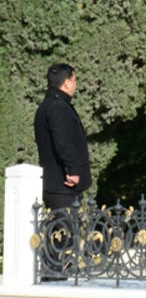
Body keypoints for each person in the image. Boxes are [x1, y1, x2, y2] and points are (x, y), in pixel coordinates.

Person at [35, 63, 92, 210]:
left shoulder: (47, 105)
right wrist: (72, 170)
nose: (75, 85)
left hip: (56, 185)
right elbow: (63, 140)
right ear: (66, 83)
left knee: (60, 231)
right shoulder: (58, 106)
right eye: (74, 80)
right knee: (67, 231)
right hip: (63, 186)